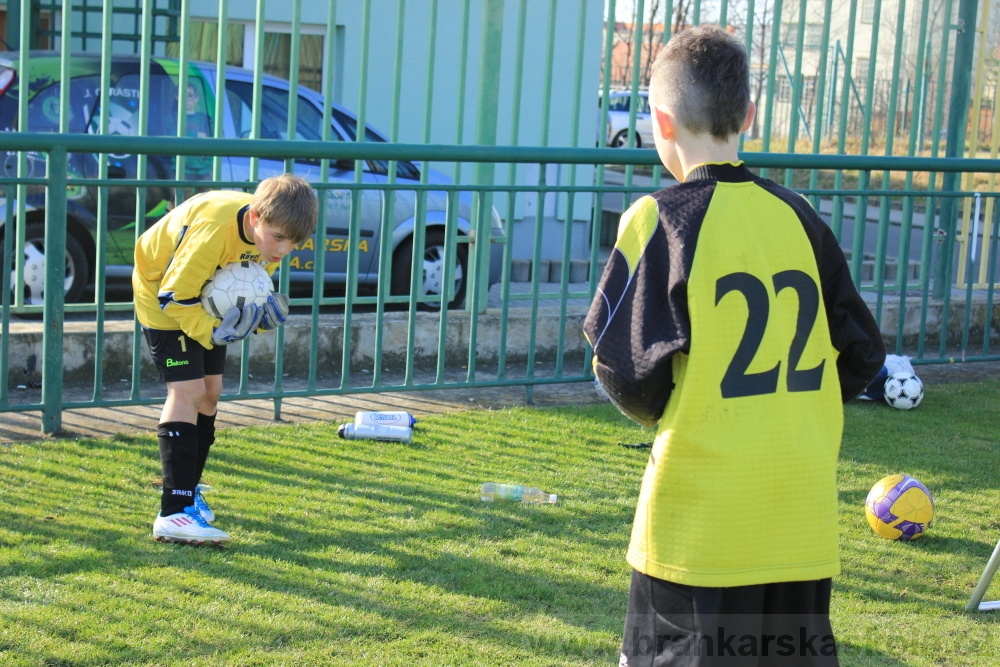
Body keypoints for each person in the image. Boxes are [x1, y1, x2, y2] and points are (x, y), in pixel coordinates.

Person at [583, 26, 886, 666]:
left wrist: (675, 409)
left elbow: (620, 365)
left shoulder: (659, 219)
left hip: (698, 528)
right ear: (748, 114)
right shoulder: (802, 217)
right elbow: (861, 353)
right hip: (798, 516)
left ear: (660, 122)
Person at [134, 173, 318, 545]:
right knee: (186, 390)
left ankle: (189, 490)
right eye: (279, 238)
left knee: (211, 392)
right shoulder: (216, 228)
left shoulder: (267, 238)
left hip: (202, 299)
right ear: (255, 219)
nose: (283, 250)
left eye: (294, 243)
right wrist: (215, 332)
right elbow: (173, 296)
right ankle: (173, 510)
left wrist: (262, 321)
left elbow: (249, 291)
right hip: (162, 294)